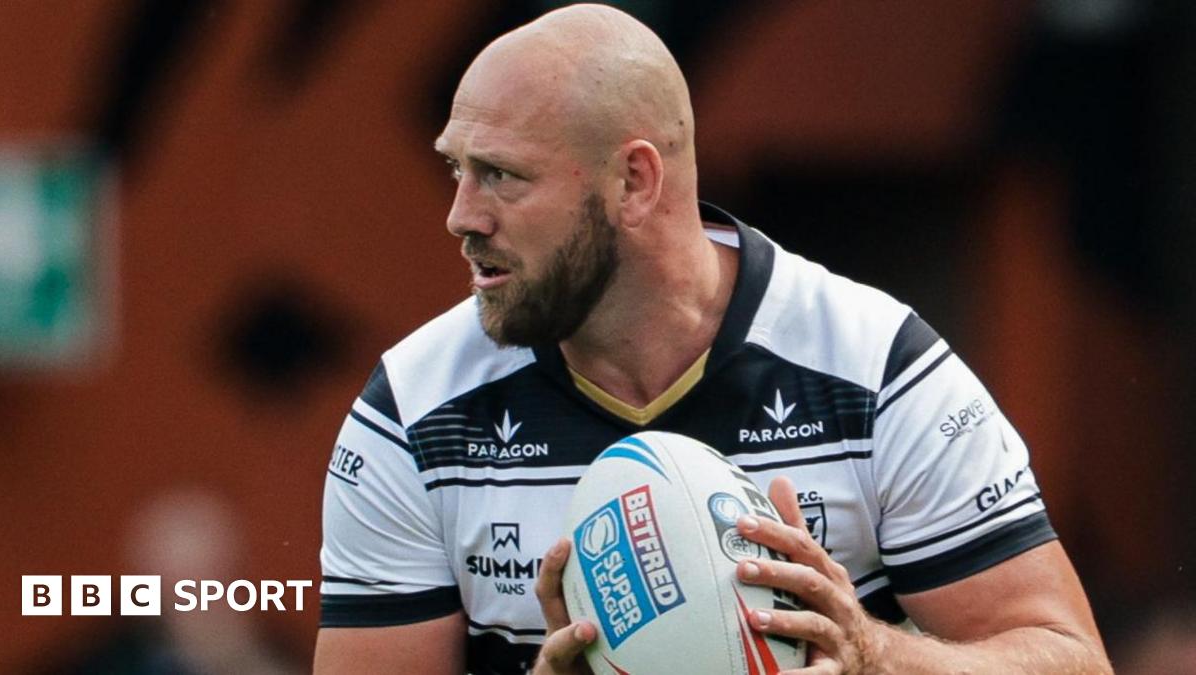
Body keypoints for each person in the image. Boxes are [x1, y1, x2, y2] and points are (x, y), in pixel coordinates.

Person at [313, 4, 1112, 674]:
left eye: (501, 175)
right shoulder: (412, 412)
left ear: (634, 181)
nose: (461, 215)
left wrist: (875, 654)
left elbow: (1072, 660)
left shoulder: (875, 369)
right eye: (455, 168)